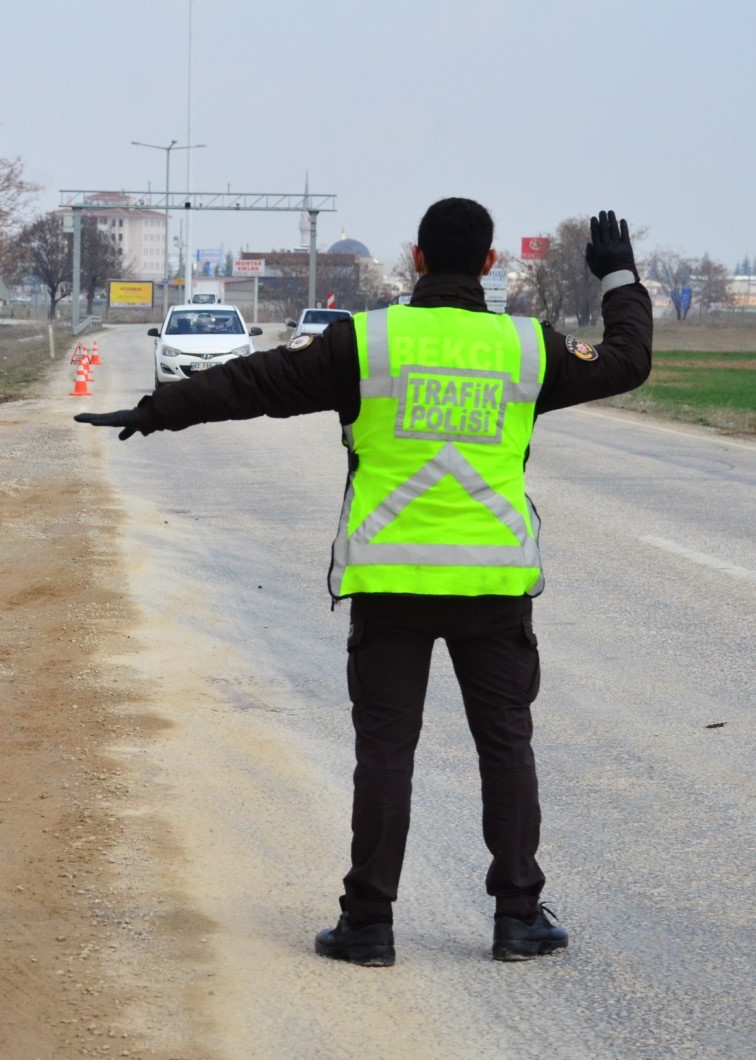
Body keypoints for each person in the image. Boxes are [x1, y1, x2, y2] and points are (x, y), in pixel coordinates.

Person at [76, 199, 653, 964]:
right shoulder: (525, 348)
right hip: (493, 588)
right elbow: (627, 360)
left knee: (387, 752)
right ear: (487, 264)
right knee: (505, 750)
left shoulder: (370, 343)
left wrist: (160, 409)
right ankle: (518, 917)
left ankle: (369, 923)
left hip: (392, 589)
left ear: (416, 258)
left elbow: (256, 383)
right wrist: (618, 275)